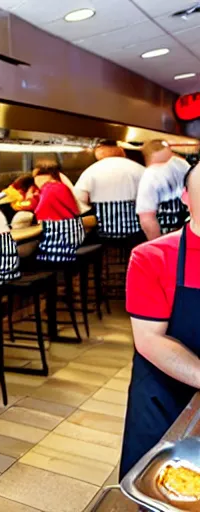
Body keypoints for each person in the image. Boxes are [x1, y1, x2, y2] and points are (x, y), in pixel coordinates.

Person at [121, 162, 200, 479]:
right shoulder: (152, 257)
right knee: (155, 482)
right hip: (164, 395)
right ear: (186, 198)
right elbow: (150, 340)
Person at [74, 142, 145, 238]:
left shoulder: (90, 172)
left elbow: (78, 201)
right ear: (122, 151)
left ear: (98, 154)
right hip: (138, 232)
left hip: (105, 235)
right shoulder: (140, 169)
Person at [136, 140, 190, 240]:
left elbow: (147, 219)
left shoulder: (150, 176)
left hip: (169, 238)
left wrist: (157, 244)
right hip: (192, 233)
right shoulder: (183, 165)